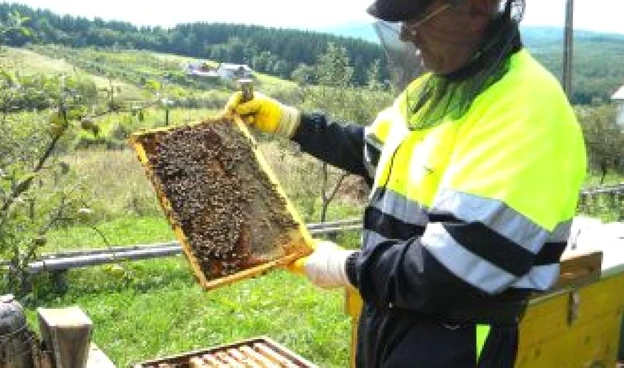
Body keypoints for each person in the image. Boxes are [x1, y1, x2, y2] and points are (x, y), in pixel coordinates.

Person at [225, 0, 586, 366]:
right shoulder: (433, 91)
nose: (405, 32)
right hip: (390, 311)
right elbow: (378, 154)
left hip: (455, 335)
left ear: (477, 10)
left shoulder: (527, 111)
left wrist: (344, 266)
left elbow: (452, 269)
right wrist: (290, 123)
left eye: (417, 18)